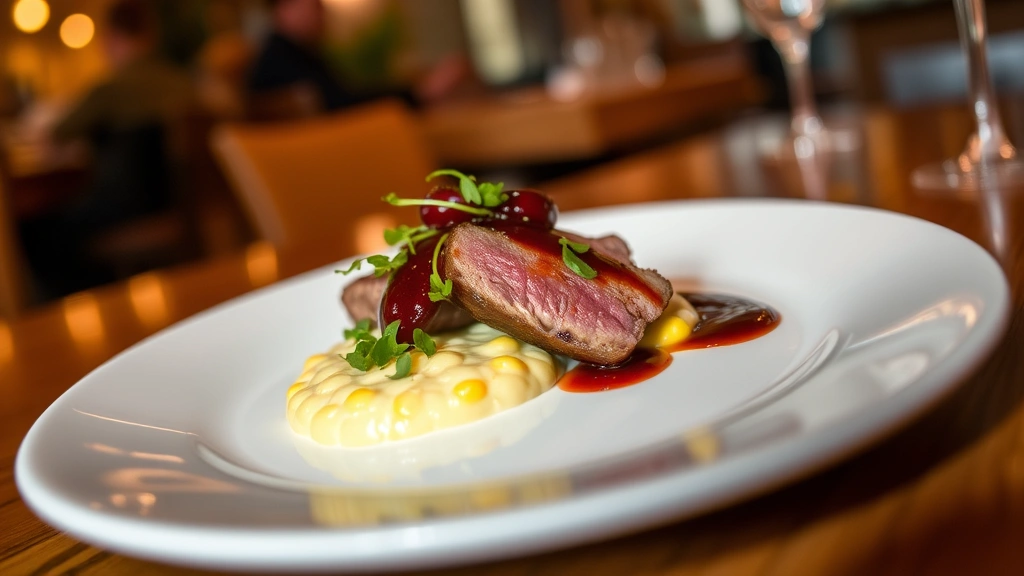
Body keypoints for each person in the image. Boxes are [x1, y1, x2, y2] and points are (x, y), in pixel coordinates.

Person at [20, 0, 192, 298]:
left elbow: (56, 134)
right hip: (182, 208)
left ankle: (82, 308)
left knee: (34, 230)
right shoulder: (181, 82)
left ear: (111, 38)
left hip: (127, 210)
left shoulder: (111, 89)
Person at [247, 0, 357, 118]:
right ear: (285, 10)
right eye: (316, 7)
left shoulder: (300, 50)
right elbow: (336, 104)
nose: (323, 14)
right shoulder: (279, 61)